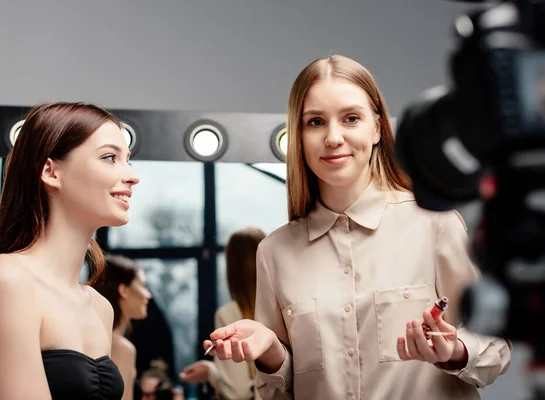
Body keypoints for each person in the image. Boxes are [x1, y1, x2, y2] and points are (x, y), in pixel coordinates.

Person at [205, 55, 512, 399]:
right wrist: (270, 354)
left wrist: (454, 350)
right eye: (315, 122)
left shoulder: (435, 223)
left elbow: (496, 347)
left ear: (377, 127)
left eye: (351, 118)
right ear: (299, 135)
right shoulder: (274, 252)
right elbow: (274, 393)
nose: (333, 137)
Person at [0, 102, 139, 400]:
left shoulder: (100, 307)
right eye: (110, 158)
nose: (131, 175)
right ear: (51, 172)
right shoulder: (8, 280)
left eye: (128, 160)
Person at [180, 226, 266, 399]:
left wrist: (211, 373)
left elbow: (237, 392)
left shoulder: (230, 314)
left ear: (232, 269)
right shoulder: (285, 308)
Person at [94, 254, 153, 400]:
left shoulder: (95, 337)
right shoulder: (121, 347)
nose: (148, 295)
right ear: (124, 290)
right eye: (142, 286)